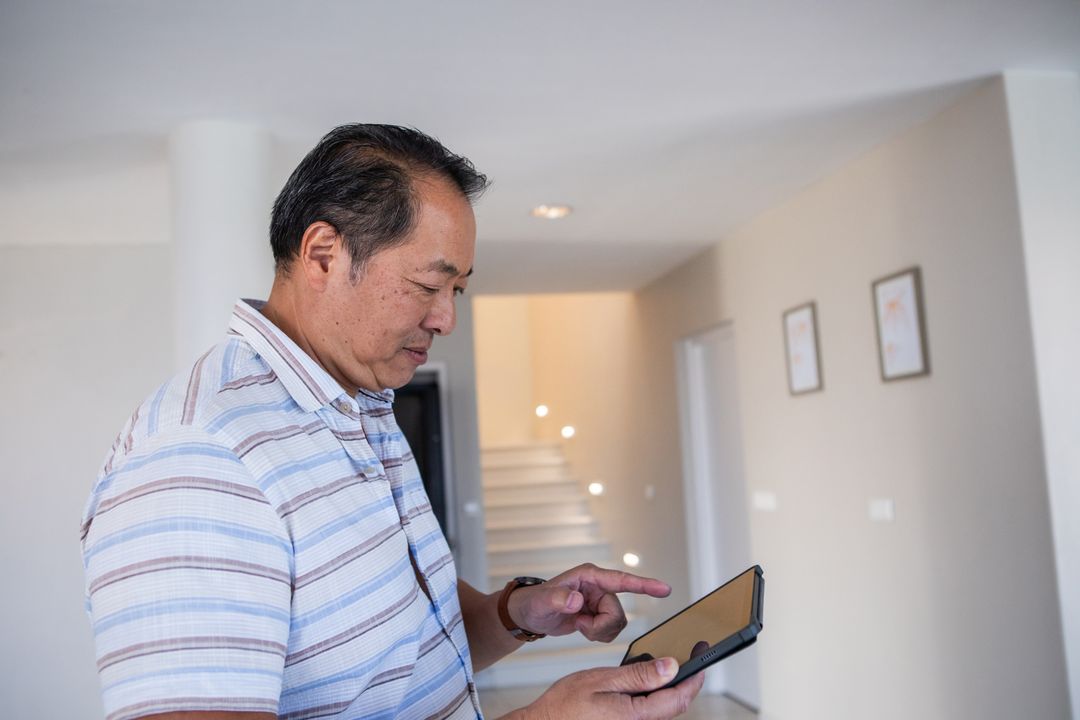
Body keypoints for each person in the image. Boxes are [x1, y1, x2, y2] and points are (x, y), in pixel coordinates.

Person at [81, 124, 705, 720]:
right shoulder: (200, 457)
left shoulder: (362, 406)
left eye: (457, 291)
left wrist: (515, 612)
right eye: (428, 285)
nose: (446, 320)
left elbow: (407, 651)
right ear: (323, 255)